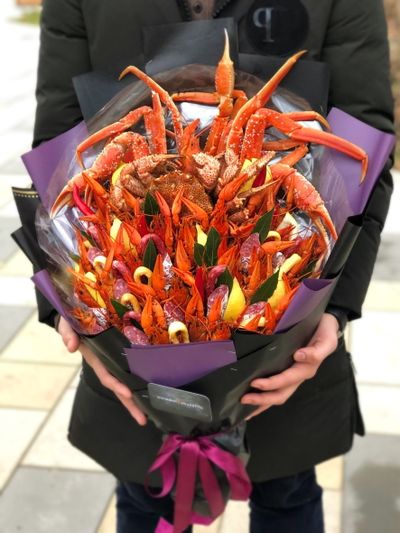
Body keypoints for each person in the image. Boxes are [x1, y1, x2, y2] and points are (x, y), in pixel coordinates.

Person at [33, 0, 394, 531]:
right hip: (127, 314)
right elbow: (56, 145)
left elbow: (365, 144)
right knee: (144, 499)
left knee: (288, 498)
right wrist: (71, 311)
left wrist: (332, 310)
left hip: (288, 335)